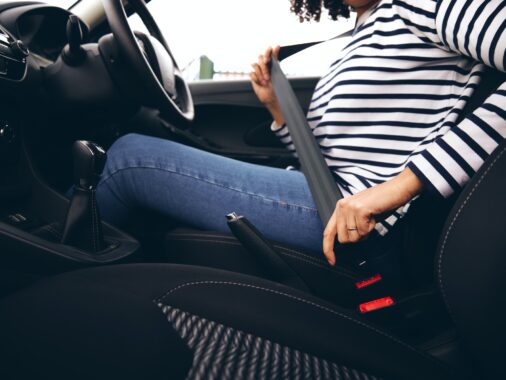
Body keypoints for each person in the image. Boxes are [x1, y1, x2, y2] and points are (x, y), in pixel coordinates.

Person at [97, 0, 506, 277]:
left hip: (354, 217)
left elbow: (350, 179)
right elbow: (327, 158)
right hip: (327, 192)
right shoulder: (359, 32)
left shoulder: (425, 4)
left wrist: (400, 187)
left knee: (129, 161)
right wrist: (277, 108)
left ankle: (54, 266)